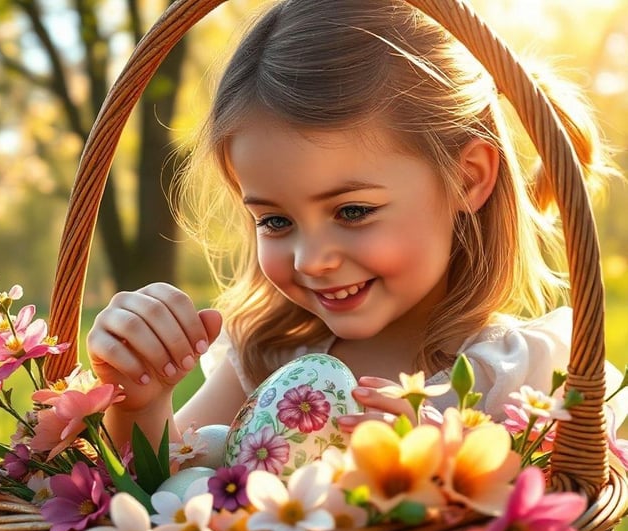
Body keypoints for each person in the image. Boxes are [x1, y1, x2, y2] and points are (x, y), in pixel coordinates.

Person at [86, 0, 627, 457]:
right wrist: (141, 403)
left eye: (352, 212)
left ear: (468, 179)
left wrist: (434, 473)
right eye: (275, 221)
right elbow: (159, 499)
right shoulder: (267, 362)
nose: (310, 260)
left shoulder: (521, 380)